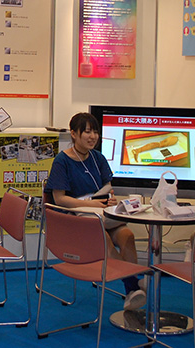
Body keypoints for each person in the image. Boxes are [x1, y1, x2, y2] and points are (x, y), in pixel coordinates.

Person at [44, 112, 146, 311]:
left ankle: (133, 289)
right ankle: (133, 285)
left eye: (95, 132)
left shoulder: (98, 157)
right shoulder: (62, 161)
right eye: (87, 132)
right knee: (103, 238)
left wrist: (110, 199)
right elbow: (60, 199)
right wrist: (92, 204)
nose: (93, 137)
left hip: (102, 215)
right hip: (77, 220)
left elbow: (107, 187)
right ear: (74, 134)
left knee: (128, 236)